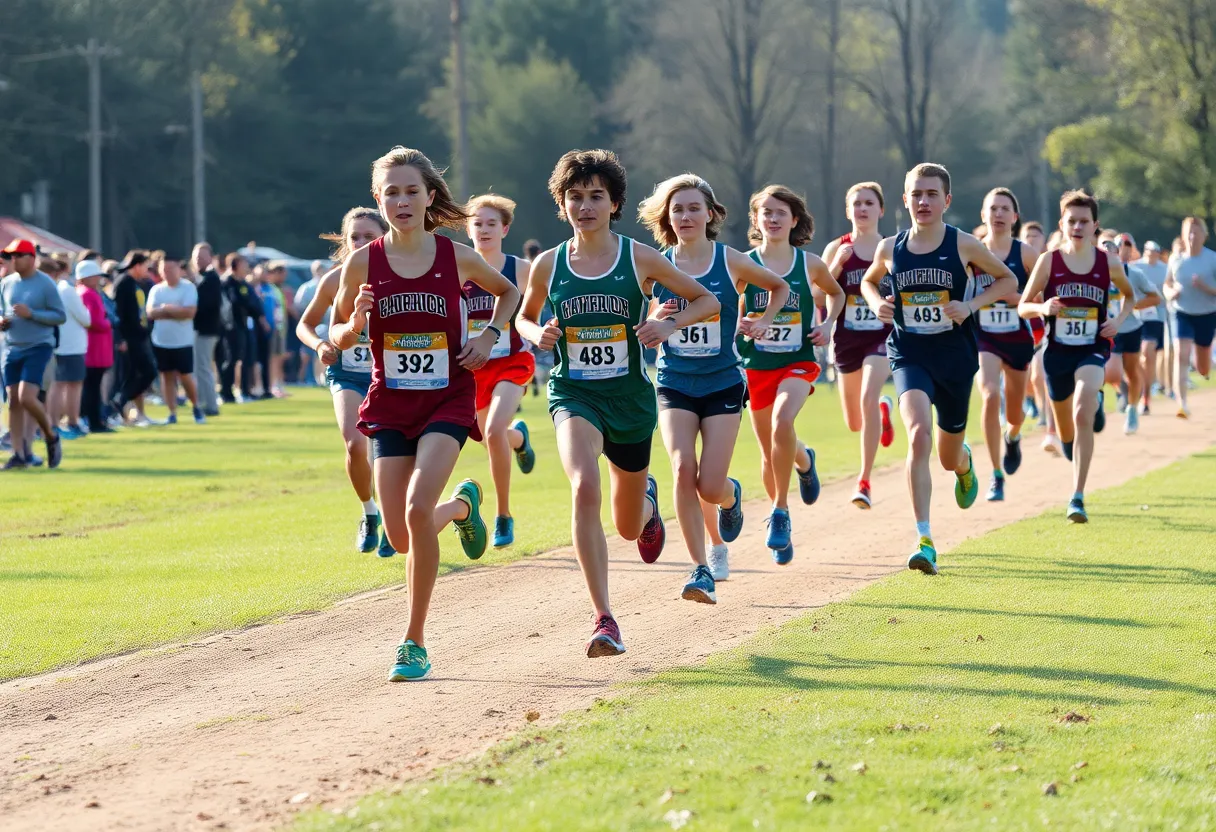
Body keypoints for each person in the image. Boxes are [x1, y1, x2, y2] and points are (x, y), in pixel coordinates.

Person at [516, 149, 718, 657]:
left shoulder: (639, 257)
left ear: (615, 203)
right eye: (575, 197)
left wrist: (668, 323)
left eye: (596, 197)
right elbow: (523, 316)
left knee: (628, 526)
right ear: (562, 205)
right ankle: (604, 618)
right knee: (584, 486)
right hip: (574, 393)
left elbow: (707, 300)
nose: (585, 206)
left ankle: (647, 504)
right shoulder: (548, 264)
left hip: (629, 400)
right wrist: (534, 331)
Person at [330, 146, 519, 682]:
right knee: (400, 534)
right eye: (392, 192)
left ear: (430, 196)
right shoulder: (362, 262)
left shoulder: (453, 255)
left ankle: (413, 641)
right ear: (378, 200)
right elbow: (340, 334)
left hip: (446, 398)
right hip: (391, 402)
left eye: (412, 190)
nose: (402, 200)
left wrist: (487, 334)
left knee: (416, 508)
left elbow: (508, 293)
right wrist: (355, 322)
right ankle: (462, 508)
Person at [859, 163, 1017, 573]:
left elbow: (1007, 281)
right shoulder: (890, 249)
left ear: (946, 200)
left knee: (947, 457)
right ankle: (924, 538)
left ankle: (963, 463)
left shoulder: (963, 244)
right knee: (917, 434)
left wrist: (970, 305)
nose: (923, 201)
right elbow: (869, 281)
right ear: (905, 200)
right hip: (909, 353)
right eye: (916, 194)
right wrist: (877, 302)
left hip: (955, 358)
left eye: (932, 194)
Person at [637, 173, 788, 599]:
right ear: (667, 216)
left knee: (710, 484)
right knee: (683, 469)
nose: (685, 215)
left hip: (722, 383)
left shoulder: (731, 260)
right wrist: (654, 314)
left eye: (693, 207)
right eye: (677, 208)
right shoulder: (655, 265)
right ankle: (699, 567)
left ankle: (730, 496)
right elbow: (639, 311)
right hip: (674, 383)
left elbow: (778, 287)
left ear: (710, 214)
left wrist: (763, 320)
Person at [742, 185, 843, 564]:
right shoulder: (744, 263)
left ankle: (779, 513)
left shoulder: (809, 263)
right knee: (771, 450)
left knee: (783, 419)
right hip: (758, 366)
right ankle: (803, 460)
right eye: (765, 212)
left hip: (798, 360)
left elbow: (835, 294)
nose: (772, 218)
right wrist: (739, 323)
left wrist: (829, 324)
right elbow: (724, 304)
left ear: (794, 219)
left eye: (780, 212)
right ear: (756, 219)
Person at [1019, 190, 1134, 522]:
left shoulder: (1107, 262)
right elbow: (1023, 306)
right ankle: (1080, 431)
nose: (1078, 226)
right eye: (1072, 221)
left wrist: (1118, 320)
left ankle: (1077, 496)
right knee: (1068, 433)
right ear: (1062, 223)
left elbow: (1129, 296)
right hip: (1056, 353)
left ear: (1095, 225)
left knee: (1083, 406)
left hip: (1093, 348)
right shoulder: (1049, 261)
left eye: (1085, 221)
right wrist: (1042, 306)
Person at [298, 206, 394, 557]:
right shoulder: (333, 278)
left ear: (384, 237)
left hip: (393, 375)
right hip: (347, 373)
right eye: (355, 236)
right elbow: (304, 325)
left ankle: (393, 520)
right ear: (345, 240)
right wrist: (321, 343)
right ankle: (370, 513)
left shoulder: (399, 275)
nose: (362, 243)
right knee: (355, 443)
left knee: (387, 453)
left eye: (370, 236)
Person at [463, 194, 538, 548]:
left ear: (505, 229)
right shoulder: (458, 269)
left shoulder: (520, 269)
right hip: (475, 367)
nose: (484, 230)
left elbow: (541, 306)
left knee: (492, 430)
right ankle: (519, 439)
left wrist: (544, 327)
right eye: (477, 223)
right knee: (489, 437)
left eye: (491, 223)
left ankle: (503, 516)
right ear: (468, 229)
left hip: (513, 361)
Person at [820, 182, 895, 510]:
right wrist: (836, 265)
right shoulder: (837, 248)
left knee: (867, 394)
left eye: (869, 203)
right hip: (846, 340)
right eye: (856, 204)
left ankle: (864, 480)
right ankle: (883, 409)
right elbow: (815, 293)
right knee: (854, 421)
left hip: (882, 337)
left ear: (881, 210)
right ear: (848, 211)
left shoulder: (892, 249)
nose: (862, 209)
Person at [972, 188, 1040, 501]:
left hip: (1017, 338)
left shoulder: (1025, 253)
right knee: (988, 394)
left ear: (1014, 217)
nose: (998, 214)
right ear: (983, 215)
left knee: (1015, 413)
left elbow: (1042, 296)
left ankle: (1012, 436)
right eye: (992, 209)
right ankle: (996, 474)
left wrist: (1008, 296)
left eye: (1004, 209)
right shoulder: (971, 251)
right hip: (983, 337)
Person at [0, 239, 66, 468]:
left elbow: (60, 316)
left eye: (19, 255)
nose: (14, 260)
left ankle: (50, 435)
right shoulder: (6, 283)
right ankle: (18, 454)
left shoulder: (45, 284)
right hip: (12, 347)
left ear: (31, 258)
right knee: (13, 401)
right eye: (11, 256)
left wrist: (33, 314)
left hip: (38, 346)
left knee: (27, 397)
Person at [1105, 232, 1159, 434]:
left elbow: (1156, 298)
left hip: (1132, 328)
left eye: (1128, 245)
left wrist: (1133, 304)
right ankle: (1124, 395)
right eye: (1119, 245)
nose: (1123, 249)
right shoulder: (1098, 273)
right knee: (1111, 373)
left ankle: (1132, 409)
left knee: (1132, 372)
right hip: (1110, 329)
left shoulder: (1135, 273)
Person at [1163, 216, 1216, 419]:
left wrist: (1205, 287)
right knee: (1181, 354)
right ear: (1183, 237)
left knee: (1203, 367)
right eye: (1188, 233)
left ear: (1204, 235)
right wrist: (1170, 292)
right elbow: (1166, 284)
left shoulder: (1212, 259)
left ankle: (1203, 369)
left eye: (1196, 232)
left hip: (1206, 314)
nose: (1193, 237)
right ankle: (1182, 403)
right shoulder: (1176, 259)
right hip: (1181, 312)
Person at [147, 256, 205, 424]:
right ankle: (172, 412)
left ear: (179, 269)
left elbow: (189, 313)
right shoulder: (157, 290)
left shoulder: (188, 288)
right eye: (164, 270)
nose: (168, 273)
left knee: (186, 376)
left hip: (182, 341)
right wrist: (174, 311)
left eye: (171, 269)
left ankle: (195, 406)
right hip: (161, 340)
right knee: (166, 376)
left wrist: (167, 309)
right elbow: (151, 313)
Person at [109, 251, 157, 426]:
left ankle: (122, 405)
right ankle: (119, 401)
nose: (147, 271)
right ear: (137, 266)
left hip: (138, 336)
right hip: (131, 338)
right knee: (148, 371)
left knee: (133, 375)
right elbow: (119, 314)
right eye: (145, 266)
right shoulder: (124, 283)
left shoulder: (133, 283)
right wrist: (121, 338)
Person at [49, 253, 91, 439]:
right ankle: (69, 422)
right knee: (70, 385)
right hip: (71, 344)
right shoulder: (67, 289)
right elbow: (85, 318)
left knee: (59, 385)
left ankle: (56, 423)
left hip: (58, 343)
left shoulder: (55, 288)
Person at [220, 253, 264, 403]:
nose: (247, 267)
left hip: (244, 326)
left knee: (246, 359)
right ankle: (226, 392)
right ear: (236, 265)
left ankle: (245, 391)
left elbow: (254, 305)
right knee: (231, 359)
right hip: (230, 328)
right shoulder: (226, 283)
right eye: (244, 264)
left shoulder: (244, 284)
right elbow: (232, 304)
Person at [76, 260, 114, 434]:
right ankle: (95, 422)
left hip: (94, 345)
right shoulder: (88, 294)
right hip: (94, 346)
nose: (99, 278)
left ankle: (95, 420)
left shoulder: (86, 292)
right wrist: (107, 323)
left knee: (92, 386)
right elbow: (94, 321)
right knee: (93, 387)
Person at [191, 242, 224, 416]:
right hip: (203, 329)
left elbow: (207, 304)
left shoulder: (211, 278)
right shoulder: (203, 277)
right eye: (197, 257)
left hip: (207, 330)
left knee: (203, 368)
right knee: (201, 368)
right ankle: (205, 402)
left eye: (202, 257)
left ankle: (210, 405)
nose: (199, 260)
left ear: (210, 258)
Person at [1135, 240, 1169, 413]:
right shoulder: (1135, 267)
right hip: (1134, 318)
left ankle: (1146, 396)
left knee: (1148, 353)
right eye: (1149, 251)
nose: (1152, 254)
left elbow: (1168, 292)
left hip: (1155, 317)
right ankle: (1138, 390)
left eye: (1155, 251)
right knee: (1136, 359)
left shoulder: (1165, 269)